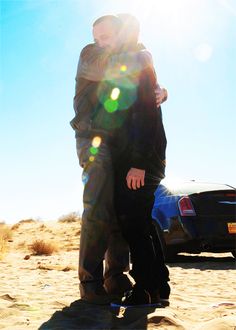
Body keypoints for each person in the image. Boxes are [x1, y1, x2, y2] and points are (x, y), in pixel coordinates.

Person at [71, 14, 170, 306]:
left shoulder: (129, 57)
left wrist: (162, 90)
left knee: (120, 211)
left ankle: (116, 276)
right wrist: (146, 57)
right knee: (98, 207)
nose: (100, 41)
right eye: (97, 36)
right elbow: (117, 68)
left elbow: (141, 95)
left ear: (120, 34)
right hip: (92, 141)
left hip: (117, 143)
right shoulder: (91, 55)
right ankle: (90, 280)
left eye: (106, 35)